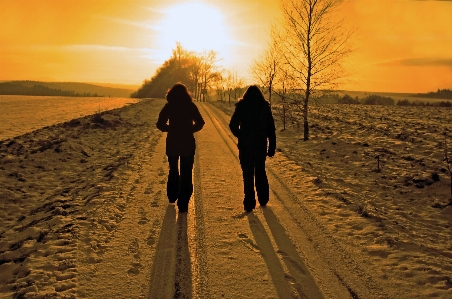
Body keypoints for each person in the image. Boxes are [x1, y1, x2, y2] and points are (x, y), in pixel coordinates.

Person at [156, 83, 205, 213]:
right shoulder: (190, 106)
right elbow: (200, 122)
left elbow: (160, 124)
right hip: (187, 141)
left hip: (172, 141)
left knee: (173, 169)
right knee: (186, 172)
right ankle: (183, 203)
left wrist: (170, 129)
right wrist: (190, 130)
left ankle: (172, 195)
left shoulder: (169, 106)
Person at [229, 85, 276, 213]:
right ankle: (263, 198)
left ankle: (249, 202)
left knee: (247, 174)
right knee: (260, 170)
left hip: (245, 145)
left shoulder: (242, 106)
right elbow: (271, 128)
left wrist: (241, 135)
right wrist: (271, 147)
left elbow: (232, 125)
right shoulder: (264, 107)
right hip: (260, 144)